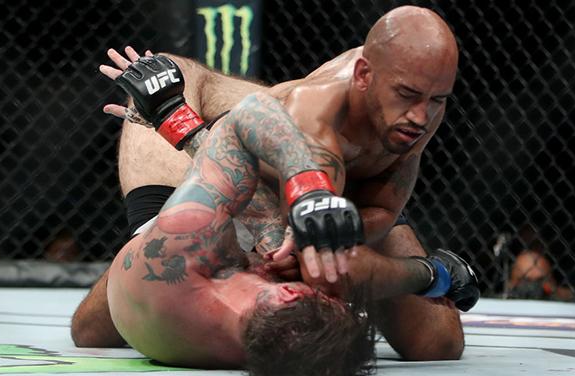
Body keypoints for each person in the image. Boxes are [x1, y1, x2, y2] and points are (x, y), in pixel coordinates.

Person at [72, 5, 479, 362]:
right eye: (408, 94)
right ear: (365, 77)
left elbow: (381, 215)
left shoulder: (411, 100)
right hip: (270, 171)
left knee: (436, 343)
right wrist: (431, 273)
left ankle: (180, 102)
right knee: (98, 325)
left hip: (278, 173)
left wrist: (344, 222)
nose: (422, 117)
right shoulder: (317, 116)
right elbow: (325, 265)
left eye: (438, 100)